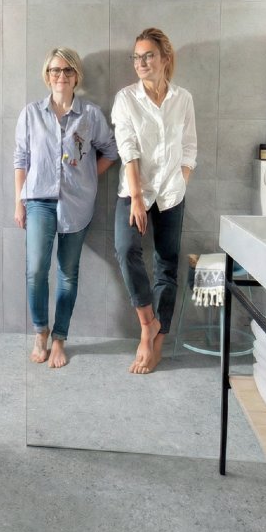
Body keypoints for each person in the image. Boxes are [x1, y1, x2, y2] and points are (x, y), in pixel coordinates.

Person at [13, 48, 119, 368]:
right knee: (35, 271)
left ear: (76, 76)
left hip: (77, 203)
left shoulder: (90, 115)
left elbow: (110, 151)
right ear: (47, 76)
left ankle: (60, 338)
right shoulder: (31, 114)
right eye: (55, 70)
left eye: (68, 70)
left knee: (68, 273)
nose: (61, 75)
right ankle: (41, 332)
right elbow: (21, 159)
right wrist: (19, 202)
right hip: (38, 200)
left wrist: (88, 176)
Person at [111, 27, 197, 375]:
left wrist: (182, 180)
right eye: (137, 57)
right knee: (125, 249)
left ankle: (157, 344)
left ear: (165, 58)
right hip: (136, 191)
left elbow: (189, 146)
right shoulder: (126, 98)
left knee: (166, 264)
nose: (141, 62)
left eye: (148, 56)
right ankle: (148, 324)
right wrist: (136, 197)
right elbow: (127, 148)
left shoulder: (183, 99)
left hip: (172, 193)